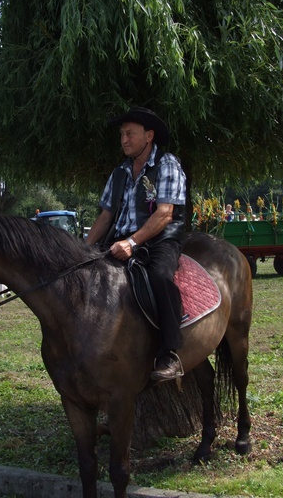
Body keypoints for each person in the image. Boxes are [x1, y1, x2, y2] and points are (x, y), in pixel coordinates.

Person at [86, 106, 187, 381]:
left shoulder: (167, 165)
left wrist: (131, 242)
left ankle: (169, 353)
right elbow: (105, 216)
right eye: (122, 135)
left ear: (149, 135)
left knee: (160, 276)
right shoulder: (119, 172)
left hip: (159, 240)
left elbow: (165, 213)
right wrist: (82, 250)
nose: (124, 140)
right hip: (120, 240)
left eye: (130, 134)